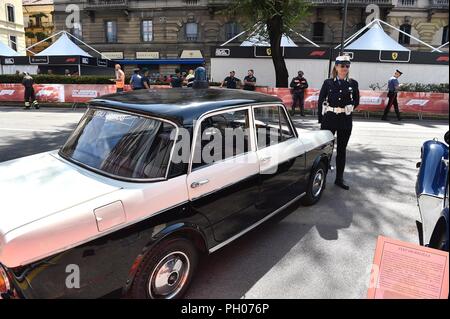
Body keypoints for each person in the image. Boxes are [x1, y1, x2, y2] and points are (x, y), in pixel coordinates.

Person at [318, 55, 360, 190]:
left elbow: (357, 101)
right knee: (326, 151)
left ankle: (339, 178)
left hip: (345, 121)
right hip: (329, 120)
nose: (345, 68)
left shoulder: (353, 83)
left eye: (347, 66)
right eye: (342, 66)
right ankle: (322, 179)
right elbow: (320, 100)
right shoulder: (328, 83)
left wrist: (351, 106)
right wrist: (321, 119)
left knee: (342, 150)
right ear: (336, 66)